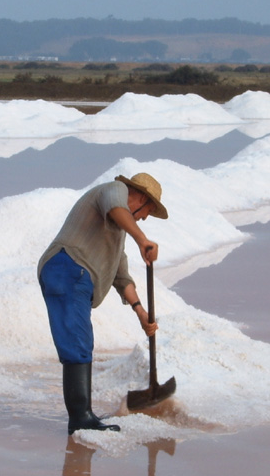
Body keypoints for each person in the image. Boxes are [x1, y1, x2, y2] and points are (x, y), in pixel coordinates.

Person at [37, 173, 168, 435]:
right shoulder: (114, 190)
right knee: (77, 342)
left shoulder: (117, 231)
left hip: (76, 276)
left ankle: (83, 415)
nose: (142, 219)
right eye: (145, 212)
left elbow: (122, 276)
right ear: (139, 197)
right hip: (67, 266)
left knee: (81, 341)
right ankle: (80, 418)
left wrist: (140, 311)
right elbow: (118, 207)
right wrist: (142, 239)